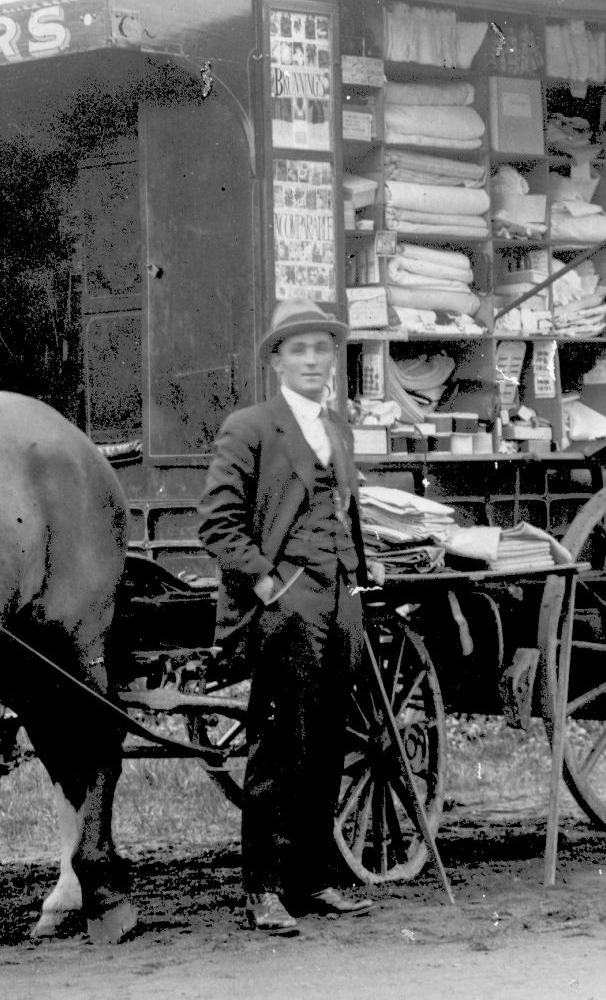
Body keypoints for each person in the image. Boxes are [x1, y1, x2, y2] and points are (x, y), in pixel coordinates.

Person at [197, 297, 377, 934]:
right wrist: (268, 581)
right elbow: (217, 525)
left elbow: (347, 514)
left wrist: (358, 577)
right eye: (297, 349)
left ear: (332, 359)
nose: (311, 360)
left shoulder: (339, 431)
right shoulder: (250, 428)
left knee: (329, 744)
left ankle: (313, 880)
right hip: (285, 608)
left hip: (339, 605)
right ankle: (264, 890)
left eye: (321, 348)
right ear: (276, 360)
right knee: (278, 749)